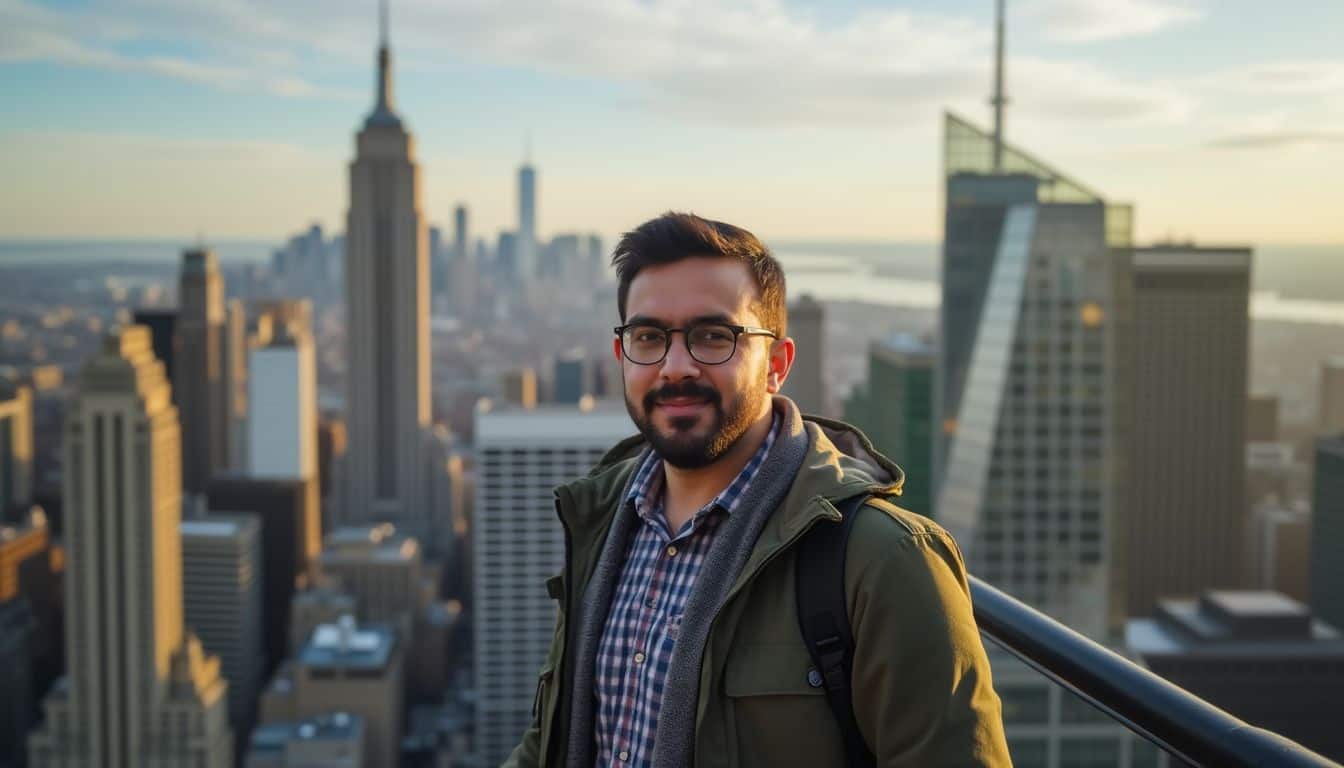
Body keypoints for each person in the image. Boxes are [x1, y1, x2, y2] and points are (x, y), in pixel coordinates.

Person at [503, 212, 1010, 767]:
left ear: (777, 365)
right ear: (623, 356)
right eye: (649, 337)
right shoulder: (600, 523)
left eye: (713, 337)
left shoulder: (884, 560)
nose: (675, 367)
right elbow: (548, 741)